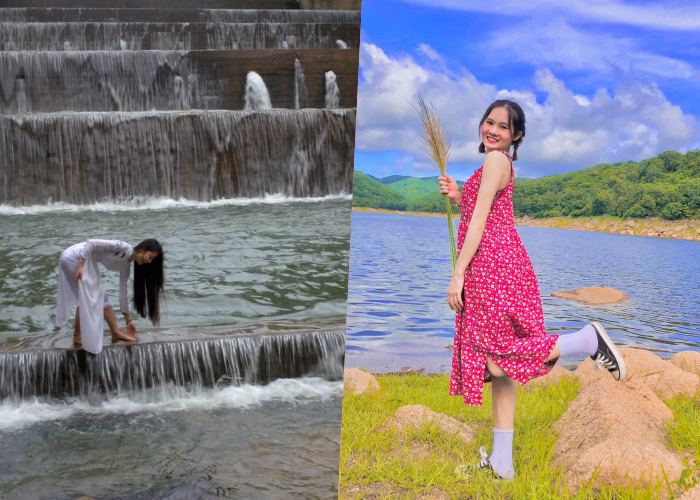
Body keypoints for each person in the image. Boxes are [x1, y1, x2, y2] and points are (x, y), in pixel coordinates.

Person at [438, 100, 625, 480]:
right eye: (488, 121)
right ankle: (502, 464)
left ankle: (585, 341)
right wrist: (461, 194)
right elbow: (485, 209)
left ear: (516, 135)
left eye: (502, 127)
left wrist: (458, 273)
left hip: (493, 266)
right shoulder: (495, 163)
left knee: (495, 358)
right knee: (502, 372)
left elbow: (478, 223)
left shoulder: (496, 161)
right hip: (501, 261)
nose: (492, 129)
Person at [55, 239, 164, 354]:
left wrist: (128, 321)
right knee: (99, 298)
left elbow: (123, 293)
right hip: (75, 258)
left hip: (83, 260)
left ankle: (79, 337)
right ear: (143, 249)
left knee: (90, 299)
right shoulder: (123, 247)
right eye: (150, 257)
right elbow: (92, 243)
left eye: (152, 260)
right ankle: (114, 332)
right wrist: (81, 264)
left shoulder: (126, 266)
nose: (149, 262)